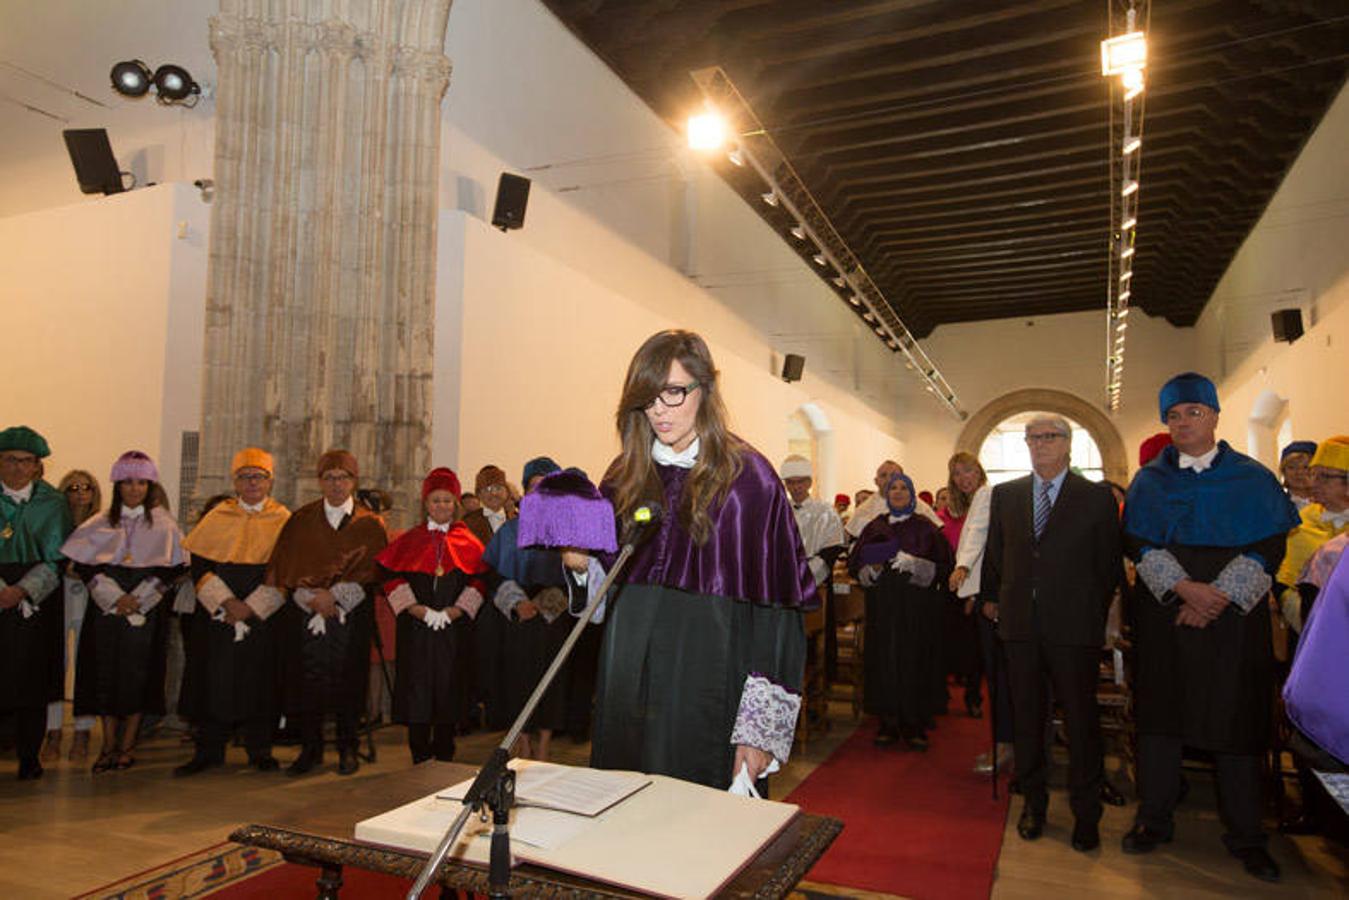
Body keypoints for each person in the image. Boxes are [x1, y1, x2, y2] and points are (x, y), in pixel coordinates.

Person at [588, 330, 815, 792]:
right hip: (626, 684)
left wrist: (759, 734)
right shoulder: (622, 475)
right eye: (648, 396)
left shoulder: (748, 478)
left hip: (710, 685)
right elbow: (603, 598)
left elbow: (777, 616)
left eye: (673, 392)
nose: (658, 410)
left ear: (705, 389)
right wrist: (579, 565)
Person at [1122, 373, 1299, 882]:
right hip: (1166, 614)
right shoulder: (1151, 480)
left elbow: (1269, 546)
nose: (1182, 424)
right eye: (1173, 416)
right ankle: (1153, 820)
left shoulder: (1252, 478)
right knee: (1161, 721)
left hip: (1232, 621)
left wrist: (1215, 597)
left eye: (1192, 413)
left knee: (1235, 722)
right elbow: (1137, 542)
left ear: (1214, 417)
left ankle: (1247, 836)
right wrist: (1184, 589)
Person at [980, 415, 1121, 853]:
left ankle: (1086, 813)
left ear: (1067, 444)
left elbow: (1108, 565)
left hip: (1073, 625)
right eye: (1033, 437)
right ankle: (1033, 804)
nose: (1040, 444)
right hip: (1021, 624)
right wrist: (996, 598)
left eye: (1049, 437)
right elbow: (997, 555)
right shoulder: (1007, 495)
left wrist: (1092, 615)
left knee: (1080, 721)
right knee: (1028, 719)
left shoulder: (1094, 497)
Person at [62, 450, 187, 773]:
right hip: (106, 609)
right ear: (118, 485)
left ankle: (128, 745)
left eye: (141, 482)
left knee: (138, 674)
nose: (134, 489)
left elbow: (173, 570)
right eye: (128, 482)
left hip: (146, 610)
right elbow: (84, 566)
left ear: (150, 486)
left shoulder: (164, 524)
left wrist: (140, 598)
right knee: (104, 673)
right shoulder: (100, 523)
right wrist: (114, 597)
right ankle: (106, 746)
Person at [265, 449, 388, 776]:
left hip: (351, 615)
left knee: (350, 680)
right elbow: (285, 567)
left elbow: (373, 573)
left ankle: (348, 747)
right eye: (330, 478)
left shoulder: (370, 524)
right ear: (320, 481)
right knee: (307, 682)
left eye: (343, 477)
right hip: (305, 615)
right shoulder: (301, 520)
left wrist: (336, 597)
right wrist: (312, 597)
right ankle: (311, 749)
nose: (336, 484)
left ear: (354, 481)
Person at [174, 449, 291, 775]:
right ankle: (208, 750)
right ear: (235, 481)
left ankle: (260, 750)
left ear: (270, 481)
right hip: (219, 615)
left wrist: (250, 608)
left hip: (262, 614)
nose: (252, 482)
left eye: (259, 476)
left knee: (261, 680)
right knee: (212, 679)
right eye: (245, 476)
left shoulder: (284, 519)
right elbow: (201, 566)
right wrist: (227, 604)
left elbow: (286, 571)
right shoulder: (217, 517)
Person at [375, 467, 488, 764]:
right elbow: (388, 575)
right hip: (417, 629)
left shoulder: (469, 541)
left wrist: (456, 610)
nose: (442, 506)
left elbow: (481, 580)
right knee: (417, 690)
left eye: (447, 501)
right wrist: (415, 609)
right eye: (436, 501)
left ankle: (445, 753)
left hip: (453, 631)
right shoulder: (410, 539)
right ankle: (419, 754)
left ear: (455, 505)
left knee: (449, 688)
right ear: (426, 503)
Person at [1273, 435, 1348, 834]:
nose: (1312, 482)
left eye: (1324, 476)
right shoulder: (1300, 525)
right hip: (1310, 637)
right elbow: (1284, 577)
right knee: (1309, 729)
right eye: (1311, 474)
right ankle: (1316, 809)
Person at [850, 472, 953, 750]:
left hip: (917, 609)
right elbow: (855, 562)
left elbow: (945, 567)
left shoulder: (926, 527)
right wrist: (870, 569)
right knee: (885, 660)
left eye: (902, 488)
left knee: (914, 661)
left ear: (912, 494)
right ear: (886, 494)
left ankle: (915, 724)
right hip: (883, 607)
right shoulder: (874, 527)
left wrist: (916, 565)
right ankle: (888, 722)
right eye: (892, 488)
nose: (897, 492)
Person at [485, 456, 578, 761]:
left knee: (552, 679)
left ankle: (545, 746)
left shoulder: (568, 529)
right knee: (518, 680)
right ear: (526, 490)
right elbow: (493, 572)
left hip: (554, 617)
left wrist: (545, 605)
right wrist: (518, 603)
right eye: (534, 487)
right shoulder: (510, 530)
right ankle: (522, 743)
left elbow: (576, 575)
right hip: (519, 617)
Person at [1, 427, 74, 780]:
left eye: (25, 461)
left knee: (32, 678)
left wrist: (21, 591)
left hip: (37, 600)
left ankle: (30, 755)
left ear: (37, 466)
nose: (17, 467)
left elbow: (59, 558)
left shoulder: (54, 502)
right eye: (9, 460)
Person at [42, 470, 101, 762]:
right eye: (72, 488)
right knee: (54, 663)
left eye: (86, 487)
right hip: (57, 596)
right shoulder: (53, 522)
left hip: (91, 598)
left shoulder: (103, 525)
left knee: (86, 664)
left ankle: (83, 731)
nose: (80, 493)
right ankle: (52, 731)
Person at [462, 464, 515, 730]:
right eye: (487, 488)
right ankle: (483, 713)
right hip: (483, 601)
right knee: (484, 657)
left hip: (516, 599)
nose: (493, 493)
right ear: (478, 493)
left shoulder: (519, 520)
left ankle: (507, 713)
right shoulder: (468, 524)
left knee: (511, 657)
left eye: (498, 487)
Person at [942, 452, 989, 722]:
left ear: (979, 471)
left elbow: (979, 543)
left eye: (967, 471)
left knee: (974, 650)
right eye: (957, 473)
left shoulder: (987, 497)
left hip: (973, 585)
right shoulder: (953, 509)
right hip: (953, 587)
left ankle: (973, 697)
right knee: (956, 645)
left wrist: (973, 588)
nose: (963, 478)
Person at [846, 460, 943, 538]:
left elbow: (935, 532)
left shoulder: (918, 505)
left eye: (893, 475)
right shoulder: (865, 508)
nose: (889, 480)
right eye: (883, 475)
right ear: (876, 481)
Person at [1279, 440, 1318, 511]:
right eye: (1292, 467)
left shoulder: (1331, 503)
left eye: (1305, 467)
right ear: (1283, 471)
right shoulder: (1277, 504)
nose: (1299, 472)